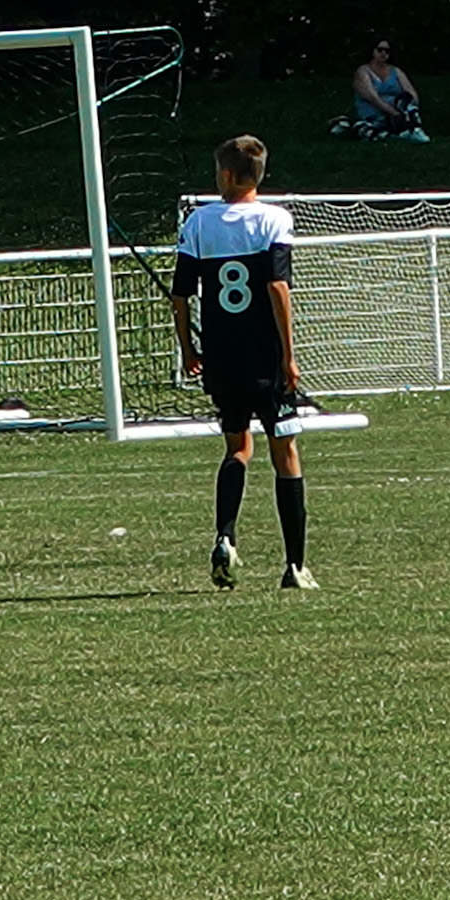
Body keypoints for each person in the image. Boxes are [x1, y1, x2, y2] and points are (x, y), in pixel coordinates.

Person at [170, 134, 316, 591]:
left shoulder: (199, 222)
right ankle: (294, 565)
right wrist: (289, 357)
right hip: (265, 359)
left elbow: (180, 295)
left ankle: (225, 536)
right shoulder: (274, 219)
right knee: (284, 451)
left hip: (222, 357)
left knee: (237, 448)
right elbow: (277, 288)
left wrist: (189, 350)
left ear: (228, 176)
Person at [351, 38, 428, 141]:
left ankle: (413, 128)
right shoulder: (363, 71)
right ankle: (396, 136)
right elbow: (372, 97)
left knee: (407, 102)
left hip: (396, 111)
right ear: (373, 51)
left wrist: (406, 108)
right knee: (364, 129)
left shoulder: (396, 72)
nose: (383, 53)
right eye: (380, 50)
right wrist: (392, 112)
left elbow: (412, 94)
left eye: (387, 51)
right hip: (373, 114)